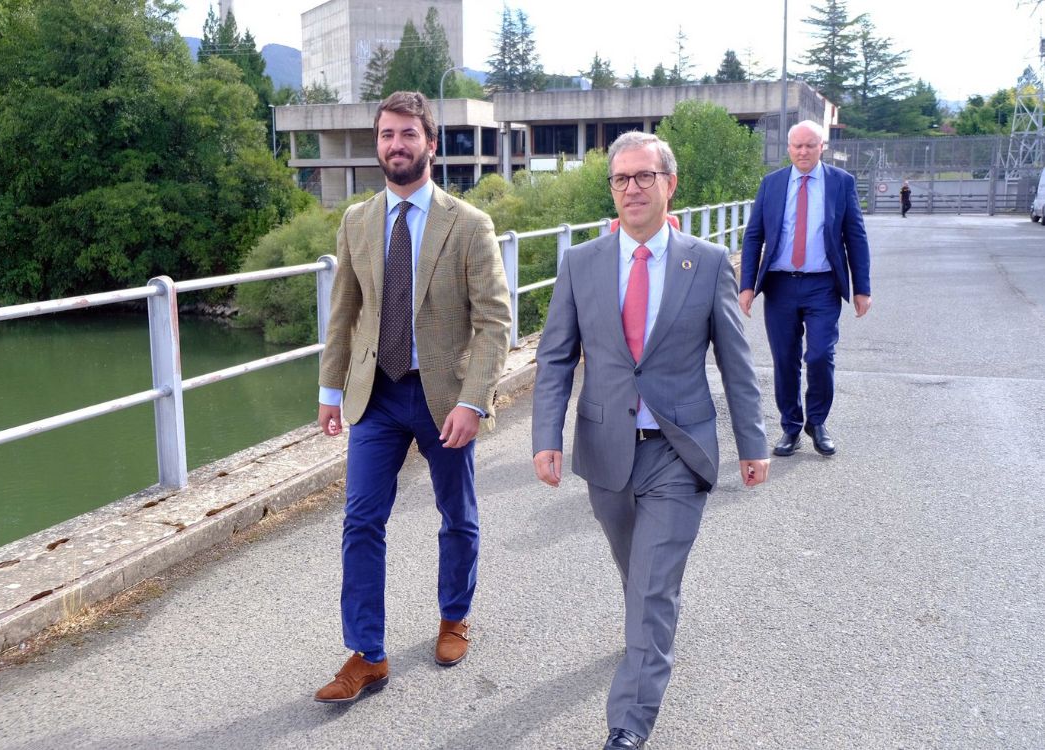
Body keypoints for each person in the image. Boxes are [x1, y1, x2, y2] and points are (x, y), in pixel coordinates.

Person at [532, 131, 770, 750]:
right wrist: (545, 436)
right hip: (607, 447)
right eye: (620, 179)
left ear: (670, 185)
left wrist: (754, 443)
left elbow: (737, 363)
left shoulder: (708, 262)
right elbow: (556, 358)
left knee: (653, 583)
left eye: (643, 177)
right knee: (634, 571)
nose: (631, 188)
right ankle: (648, 634)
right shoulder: (581, 263)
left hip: (678, 449)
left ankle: (628, 724)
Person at [313, 91, 512, 704]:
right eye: (385, 135)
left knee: (457, 515)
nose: (394, 145)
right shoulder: (357, 221)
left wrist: (473, 401)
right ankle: (367, 654)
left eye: (406, 135)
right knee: (360, 521)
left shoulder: (469, 224)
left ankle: (455, 616)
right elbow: (344, 312)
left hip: (443, 397)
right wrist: (329, 390)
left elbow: (495, 322)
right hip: (376, 396)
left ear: (430, 142)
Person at [739, 119, 872, 458]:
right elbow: (754, 235)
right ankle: (791, 427)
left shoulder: (841, 183)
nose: (803, 151)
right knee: (785, 360)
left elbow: (855, 236)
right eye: (797, 145)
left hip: (823, 285)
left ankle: (817, 421)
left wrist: (862, 288)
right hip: (780, 285)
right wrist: (747, 285)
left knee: (820, 355)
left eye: (810, 145)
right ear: (788, 148)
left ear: (821, 147)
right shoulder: (772, 184)